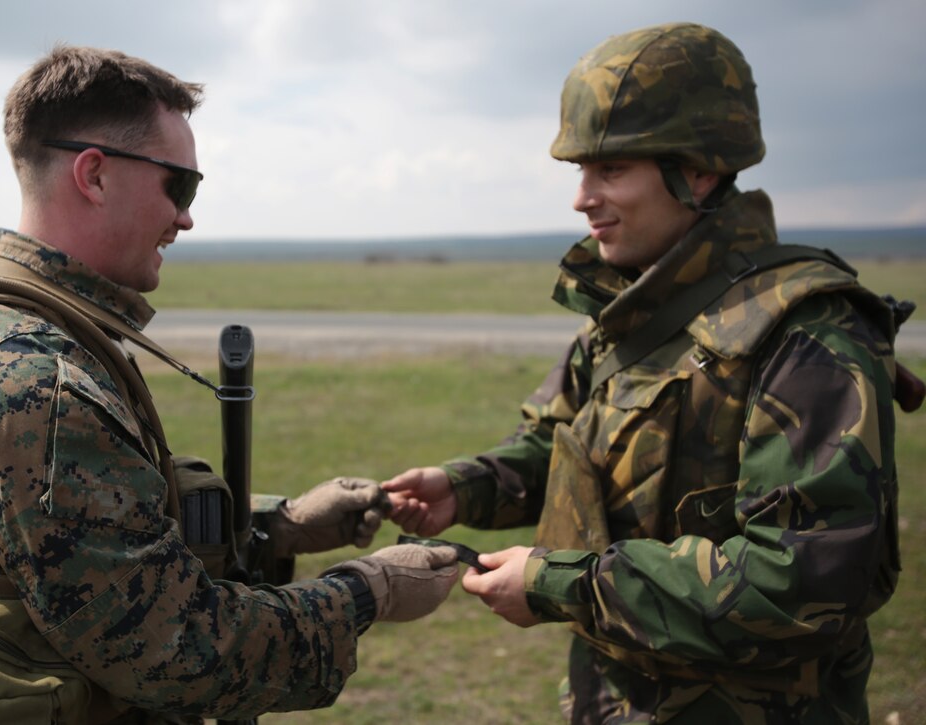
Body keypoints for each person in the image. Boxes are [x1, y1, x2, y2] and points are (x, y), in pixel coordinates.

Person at [0, 45, 458, 721]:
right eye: (178, 186)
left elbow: (54, 544)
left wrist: (279, 526)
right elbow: (178, 649)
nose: (186, 217)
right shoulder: (35, 381)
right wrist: (369, 590)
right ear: (93, 175)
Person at [384, 22, 901, 724]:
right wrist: (463, 487)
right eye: (580, 170)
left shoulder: (806, 332)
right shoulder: (626, 312)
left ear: (698, 172)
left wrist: (557, 584)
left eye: (612, 169)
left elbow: (799, 579)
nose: (582, 197)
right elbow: (563, 445)